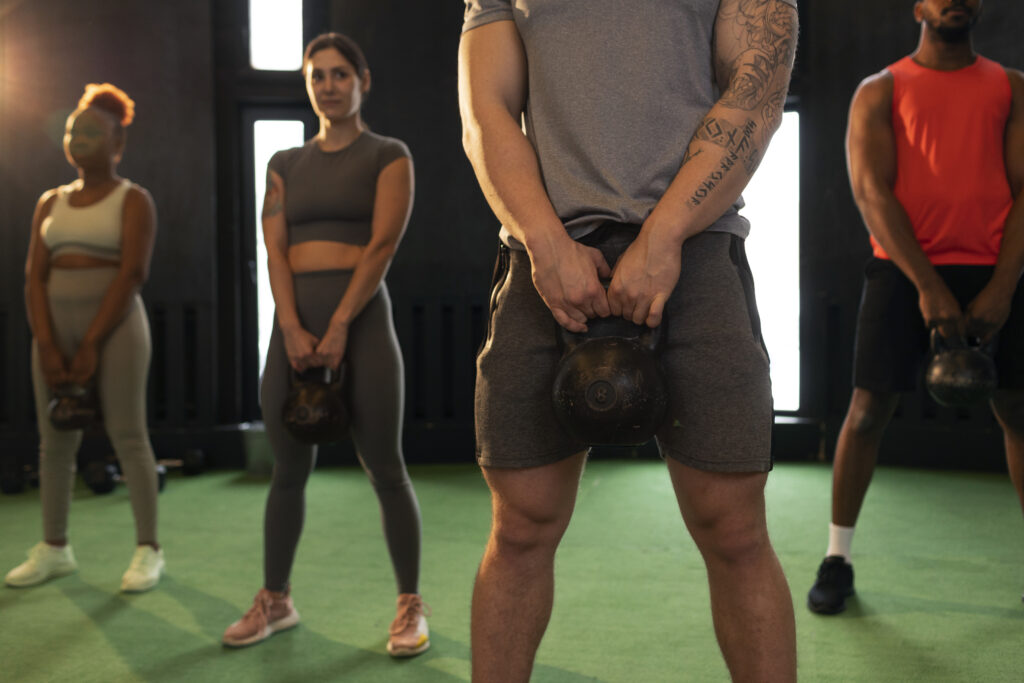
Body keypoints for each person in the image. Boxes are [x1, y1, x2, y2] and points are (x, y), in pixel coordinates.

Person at [459, 1, 799, 681]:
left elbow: (754, 93)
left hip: (696, 247)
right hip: (544, 253)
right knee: (520, 526)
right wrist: (545, 243)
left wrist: (666, 234)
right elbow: (486, 113)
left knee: (733, 528)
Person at [807, 0, 1024, 615]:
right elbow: (871, 192)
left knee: (1018, 411)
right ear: (917, 7)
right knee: (868, 411)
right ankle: (837, 558)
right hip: (904, 268)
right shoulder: (881, 90)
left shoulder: (1010, 88)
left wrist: (1004, 286)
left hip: (996, 263)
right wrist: (927, 286)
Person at [221, 33, 429, 656]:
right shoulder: (283, 163)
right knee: (287, 468)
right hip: (294, 323)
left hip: (361, 321)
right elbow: (274, 247)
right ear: (307, 85)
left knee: (385, 468)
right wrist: (289, 325)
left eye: (341, 74)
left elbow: (383, 246)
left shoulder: (389, 154)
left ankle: (410, 605)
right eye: (318, 76)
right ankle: (276, 599)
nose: (329, 86)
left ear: (363, 80)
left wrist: (339, 325)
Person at [7, 83, 163, 592]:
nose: (79, 139)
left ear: (117, 144)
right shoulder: (50, 202)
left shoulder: (133, 199)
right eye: (74, 131)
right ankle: (55, 548)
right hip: (54, 326)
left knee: (128, 434)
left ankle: (148, 551)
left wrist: (93, 341)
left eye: (92, 132)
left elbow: (132, 274)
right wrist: (48, 344)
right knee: (55, 441)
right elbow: (34, 276)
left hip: (115, 327)